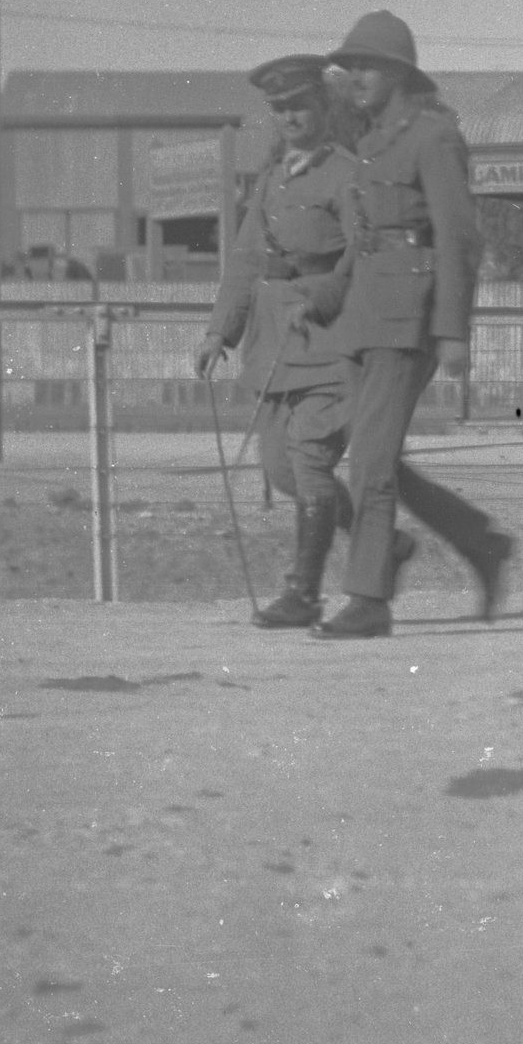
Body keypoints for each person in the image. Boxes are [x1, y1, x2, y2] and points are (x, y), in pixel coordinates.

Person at [301, 11, 513, 638]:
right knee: (372, 454)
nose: (353, 76)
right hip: (364, 317)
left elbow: (459, 237)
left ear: (398, 74)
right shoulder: (369, 144)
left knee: (369, 461)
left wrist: (454, 328)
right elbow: (362, 242)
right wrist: (324, 298)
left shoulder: (432, 136)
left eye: (366, 65)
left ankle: (369, 599)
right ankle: (479, 541)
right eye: (350, 65)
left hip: (408, 321)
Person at [192, 55, 359, 628]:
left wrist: (325, 294)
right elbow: (244, 262)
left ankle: (302, 595)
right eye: (280, 108)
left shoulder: (348, 175)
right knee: (281, 471)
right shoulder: (271, 181)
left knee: (310, 462)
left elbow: (369, 255)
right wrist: (220, 332)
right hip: (273, 347)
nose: (291, 116)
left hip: (331, 343)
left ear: (323, 108)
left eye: (300, 105)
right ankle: (382, 545)